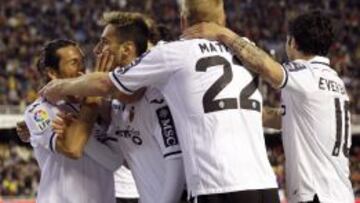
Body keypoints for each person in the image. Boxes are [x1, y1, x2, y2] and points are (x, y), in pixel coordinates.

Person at [39, 1, 279, 202]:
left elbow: (106, 83)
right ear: (224, 18)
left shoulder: (161, 82)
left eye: (104, 43)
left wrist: (57, 88)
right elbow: (113, 155)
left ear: (183, 21)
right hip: (263, 183)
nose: (96, 51)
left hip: (213, 185)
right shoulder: (247, 51)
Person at [182, 11, 355, 203]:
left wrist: (225, 34)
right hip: (341, 193)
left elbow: (266, 66)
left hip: (317, 195)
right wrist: (246, 110)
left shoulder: (305, 74)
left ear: (293, 42)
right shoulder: (334, 80)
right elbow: (290, 118)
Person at [52, 11, 186, 203]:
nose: (97, 50)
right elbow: (116, 161)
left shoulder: (156, 95)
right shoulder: (118, 105)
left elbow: (177, 163)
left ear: (126, 50)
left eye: (104, 42)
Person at [23, 39, 124, 203]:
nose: (82, 68)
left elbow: (115, 162)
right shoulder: (39, 111)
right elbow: (73, 149)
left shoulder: (102, 108)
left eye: (83, 61)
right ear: (53, 73)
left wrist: (78, 130)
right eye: (74, 62)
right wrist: (94, 94)